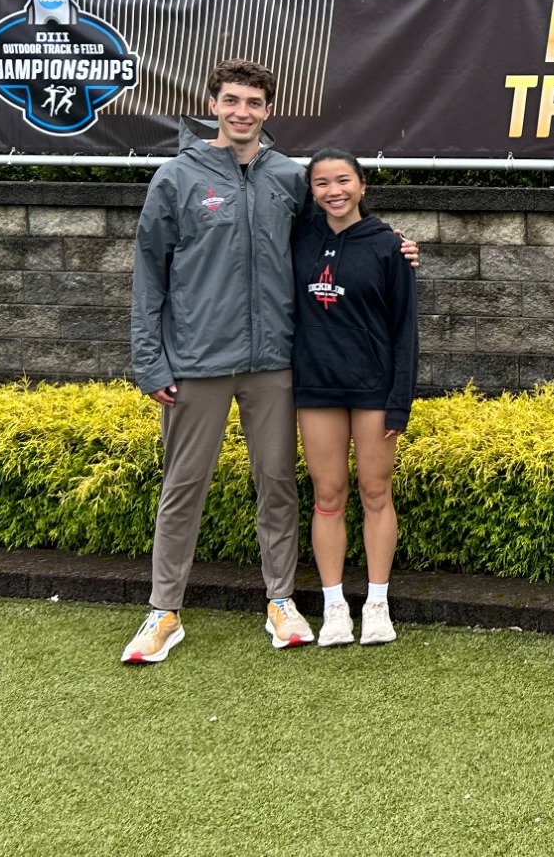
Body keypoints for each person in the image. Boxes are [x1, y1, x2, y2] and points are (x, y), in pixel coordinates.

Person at [123, 60, 416, 664]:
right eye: (231, 100)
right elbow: (149, 274)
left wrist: (397, 245)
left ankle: (280, 599)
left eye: (253, 103)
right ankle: (163, 611)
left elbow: (341, 227)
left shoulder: (288, 177)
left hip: (275, 362)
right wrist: (150, 361)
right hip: (197, 362)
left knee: (278, 485)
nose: (241, 112)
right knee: (182, 488)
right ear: (213, 103)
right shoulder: (175, 178)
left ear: (268, 110)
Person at [293, 149, 418, 647]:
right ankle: (334, 607)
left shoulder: (390, 246)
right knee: (328, 496)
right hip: (317, 385)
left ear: (362, 185)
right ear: (312, 192)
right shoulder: (298, 238)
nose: (333, 191)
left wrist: (399, 401)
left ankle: (378, 603)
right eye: (321, 183)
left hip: (373, 388)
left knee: (375, 492)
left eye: (343, 180)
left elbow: (405, 330)